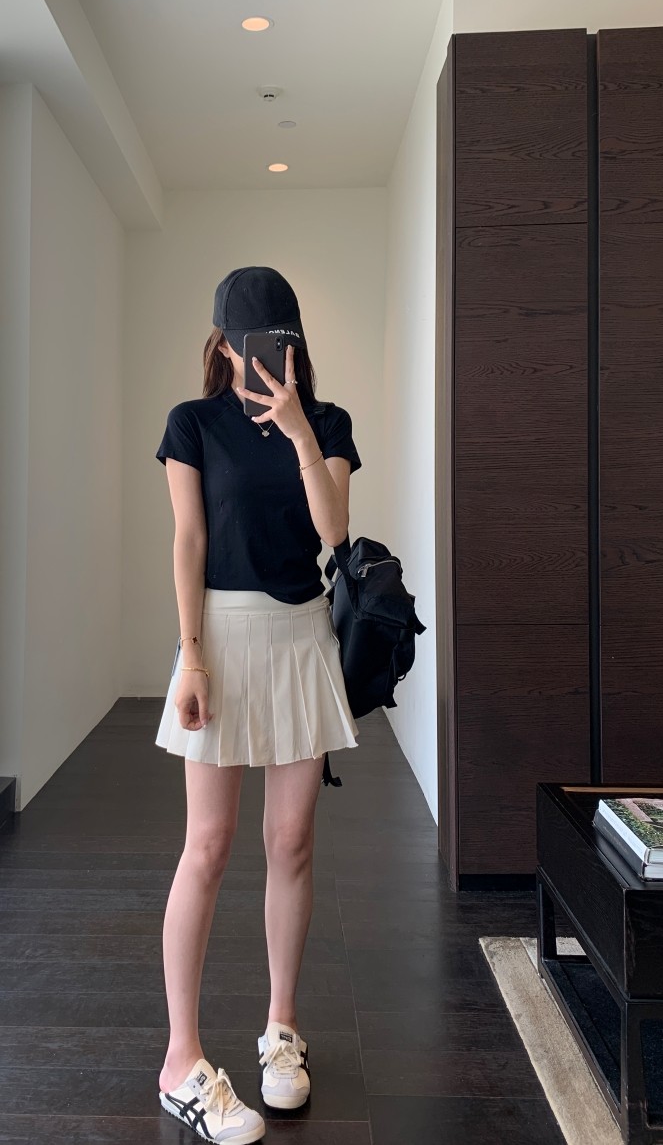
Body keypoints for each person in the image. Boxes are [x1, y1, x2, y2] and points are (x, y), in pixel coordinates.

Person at [153, 266, 361, 1143]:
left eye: (283, 342)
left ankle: (283, 1030)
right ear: (224, 346)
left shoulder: (329, 422)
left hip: (303, 635)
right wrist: (192, 655)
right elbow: (189, 540)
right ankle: (181, 1059)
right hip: (221, 637)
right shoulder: (192, 424)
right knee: (208, 844)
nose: (269, 357)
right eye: (252, 344)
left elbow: (333, 533)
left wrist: (300, 429)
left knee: (292, 842)